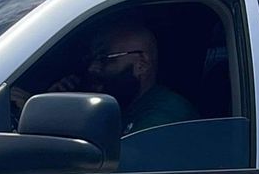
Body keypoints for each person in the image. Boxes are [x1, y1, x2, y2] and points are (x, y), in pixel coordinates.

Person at [42, 16, 198, 134]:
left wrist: (49, 122)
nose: (92, 68)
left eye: (104, 59)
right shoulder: (122, 106)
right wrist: (60, 107)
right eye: (90, 59)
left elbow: (119, 167)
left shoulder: (165, 116)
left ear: (141, 64)